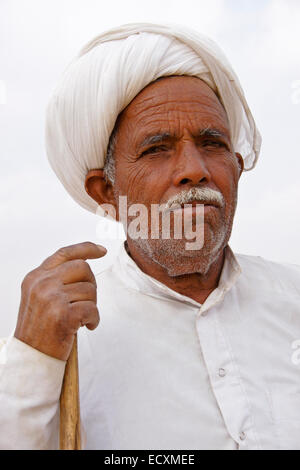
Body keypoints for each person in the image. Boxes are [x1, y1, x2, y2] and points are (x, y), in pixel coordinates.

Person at [1, 23, 300, 450]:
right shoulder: (65, 337)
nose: (194, 169)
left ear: (236, 167)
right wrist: (32, 360)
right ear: (106, 192)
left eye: (212, 143)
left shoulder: (293, 298)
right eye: (157, 149)